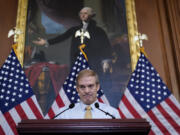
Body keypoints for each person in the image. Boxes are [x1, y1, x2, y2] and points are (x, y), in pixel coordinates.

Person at [33, 7, 112, 76]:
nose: (83, 15)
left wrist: (106, 61)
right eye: (81, 13)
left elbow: (105, 46)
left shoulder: (99, 31)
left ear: (91, 15)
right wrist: (46, 42)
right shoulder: (75, 29)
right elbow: (62, 37)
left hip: (93, 61)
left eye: (86, 13)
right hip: (78, 61)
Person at [55, 69, 120, 119]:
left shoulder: (112, 114)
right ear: (77, 89)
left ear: (97, 87)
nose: (86, 91)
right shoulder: (63, 114)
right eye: (82, 87)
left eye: (90, 86)